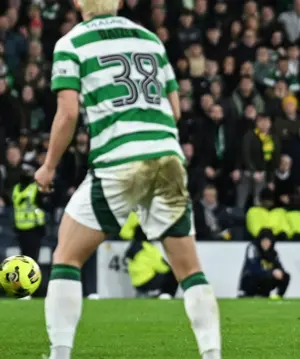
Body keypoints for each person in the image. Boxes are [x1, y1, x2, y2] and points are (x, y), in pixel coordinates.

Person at [34, 2, 221, 358]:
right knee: (190, 270)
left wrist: (48, 166)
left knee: (67, 257)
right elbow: (176, 110)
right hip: (167, 157)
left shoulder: (71, 43)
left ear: (78, 4)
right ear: (119, 3)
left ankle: (59, 354)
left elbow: (69, 112)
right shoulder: (149, 39)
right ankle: (212, 354)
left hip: (119, 157)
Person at [238, 229, 290, 299]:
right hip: (251, 281)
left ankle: (278, 297)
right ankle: (247, 294)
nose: (266, 243)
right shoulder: (253, 248)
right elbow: (253, 268)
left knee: (285, 276)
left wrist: (280, 272)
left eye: (268, 241)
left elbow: (279, 266)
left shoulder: (273, 253)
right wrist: (271, 272)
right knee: (261, 277)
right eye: (264, 241)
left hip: (266, 280)